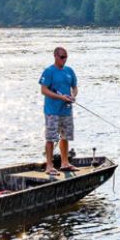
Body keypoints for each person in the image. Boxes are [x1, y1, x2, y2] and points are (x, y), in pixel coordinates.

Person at [39, 46, 78, 174]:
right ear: (55, 56)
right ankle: (49, 166)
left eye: (66, 57)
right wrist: (60, 97)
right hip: (52, 111)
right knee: (50, 137)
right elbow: (44, 90)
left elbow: (75, 87)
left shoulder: (69, 71)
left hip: (66, 110)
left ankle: (65, 163)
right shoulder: (49, 71)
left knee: (65, 136)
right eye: (62, 57)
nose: (64, 59)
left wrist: (72, 96)